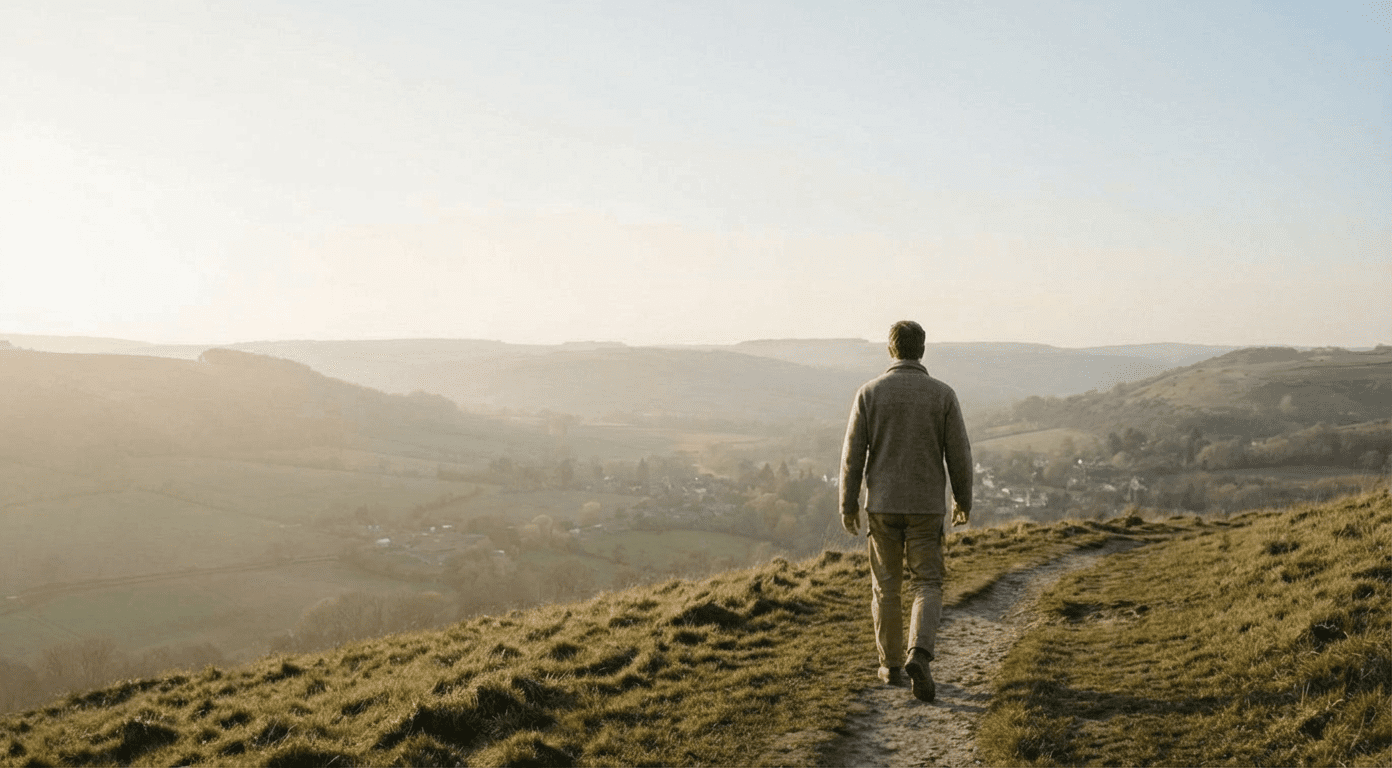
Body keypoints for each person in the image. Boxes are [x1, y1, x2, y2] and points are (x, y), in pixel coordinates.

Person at [839, 320, 973, 703]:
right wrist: (963, 500)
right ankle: (920, 654)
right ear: (923, 349)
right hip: (927, 507)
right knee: (927, 584)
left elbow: (852, 457)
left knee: (886, 587)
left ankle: (892, 666)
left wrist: (848, 504)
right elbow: (959, 455)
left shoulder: (868, 394)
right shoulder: (943, 395)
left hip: (881, 505)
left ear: (890, 350)